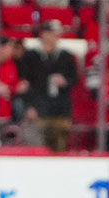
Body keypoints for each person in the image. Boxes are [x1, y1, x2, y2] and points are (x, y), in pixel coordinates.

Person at [16, 20, 79, 152]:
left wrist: (65, 81)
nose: (55, 37)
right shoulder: (30, 56)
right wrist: (30, 106)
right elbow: (25, 84)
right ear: (43, 34)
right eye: (52, 33)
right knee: (36, 149)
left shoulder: (66, 56)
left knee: (59, 149)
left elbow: (74, 80)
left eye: (57, 34)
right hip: (38, 111)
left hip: (60, 110)